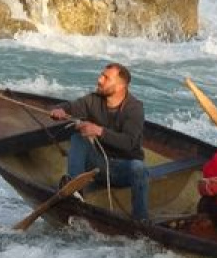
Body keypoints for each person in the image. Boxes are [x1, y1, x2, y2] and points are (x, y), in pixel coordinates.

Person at [49, 63, 149, 221]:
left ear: (121, 86)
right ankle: (74, 193)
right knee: (78, 138)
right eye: (101, 75)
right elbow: (70, 107)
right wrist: (60, 109)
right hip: (98, 167)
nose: (99, 80)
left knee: (139, 168)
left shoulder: (135, 108)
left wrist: (99, 131)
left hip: (124, 170)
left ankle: (141, 220)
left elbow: (129, 142)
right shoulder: (93, 100)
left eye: (106, 78)